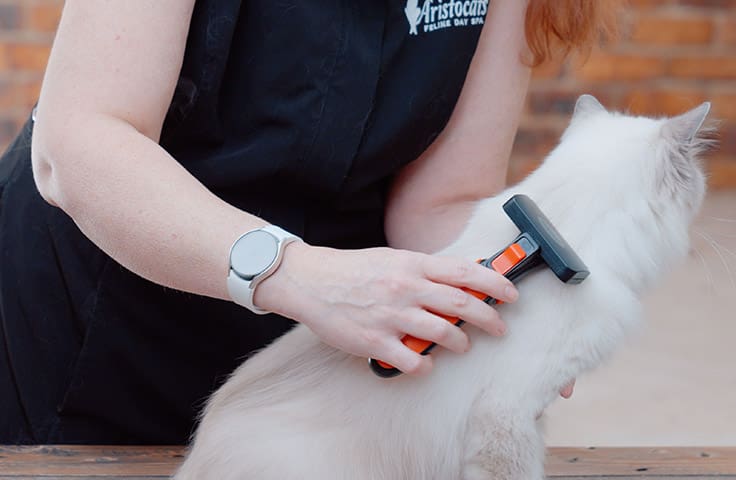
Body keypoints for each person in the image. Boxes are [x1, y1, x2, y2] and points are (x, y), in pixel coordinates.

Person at [0, 0, 619, 444]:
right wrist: (294, 272)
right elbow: (78, 145)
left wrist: (497, 297)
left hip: (310, 353)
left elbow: (442, 199)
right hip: (91, 327)